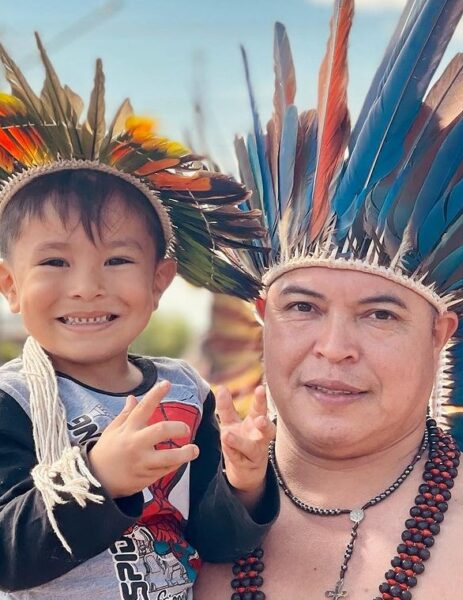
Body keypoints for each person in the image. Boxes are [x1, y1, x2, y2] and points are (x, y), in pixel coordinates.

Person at [196, 1, 463, 598]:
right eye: (303, 307)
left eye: (380, 315)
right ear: (263, 318)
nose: (334, 349)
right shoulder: (163, 513)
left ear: (441, 332)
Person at [0, 38, 278, 599]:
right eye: (55, 261)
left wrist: (243, 483)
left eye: (117, 260)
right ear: (10, 285)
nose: (86, 287)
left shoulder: (185, 389)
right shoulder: (12, 403)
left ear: (159, 281)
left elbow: (213, 537)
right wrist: (99, 479)